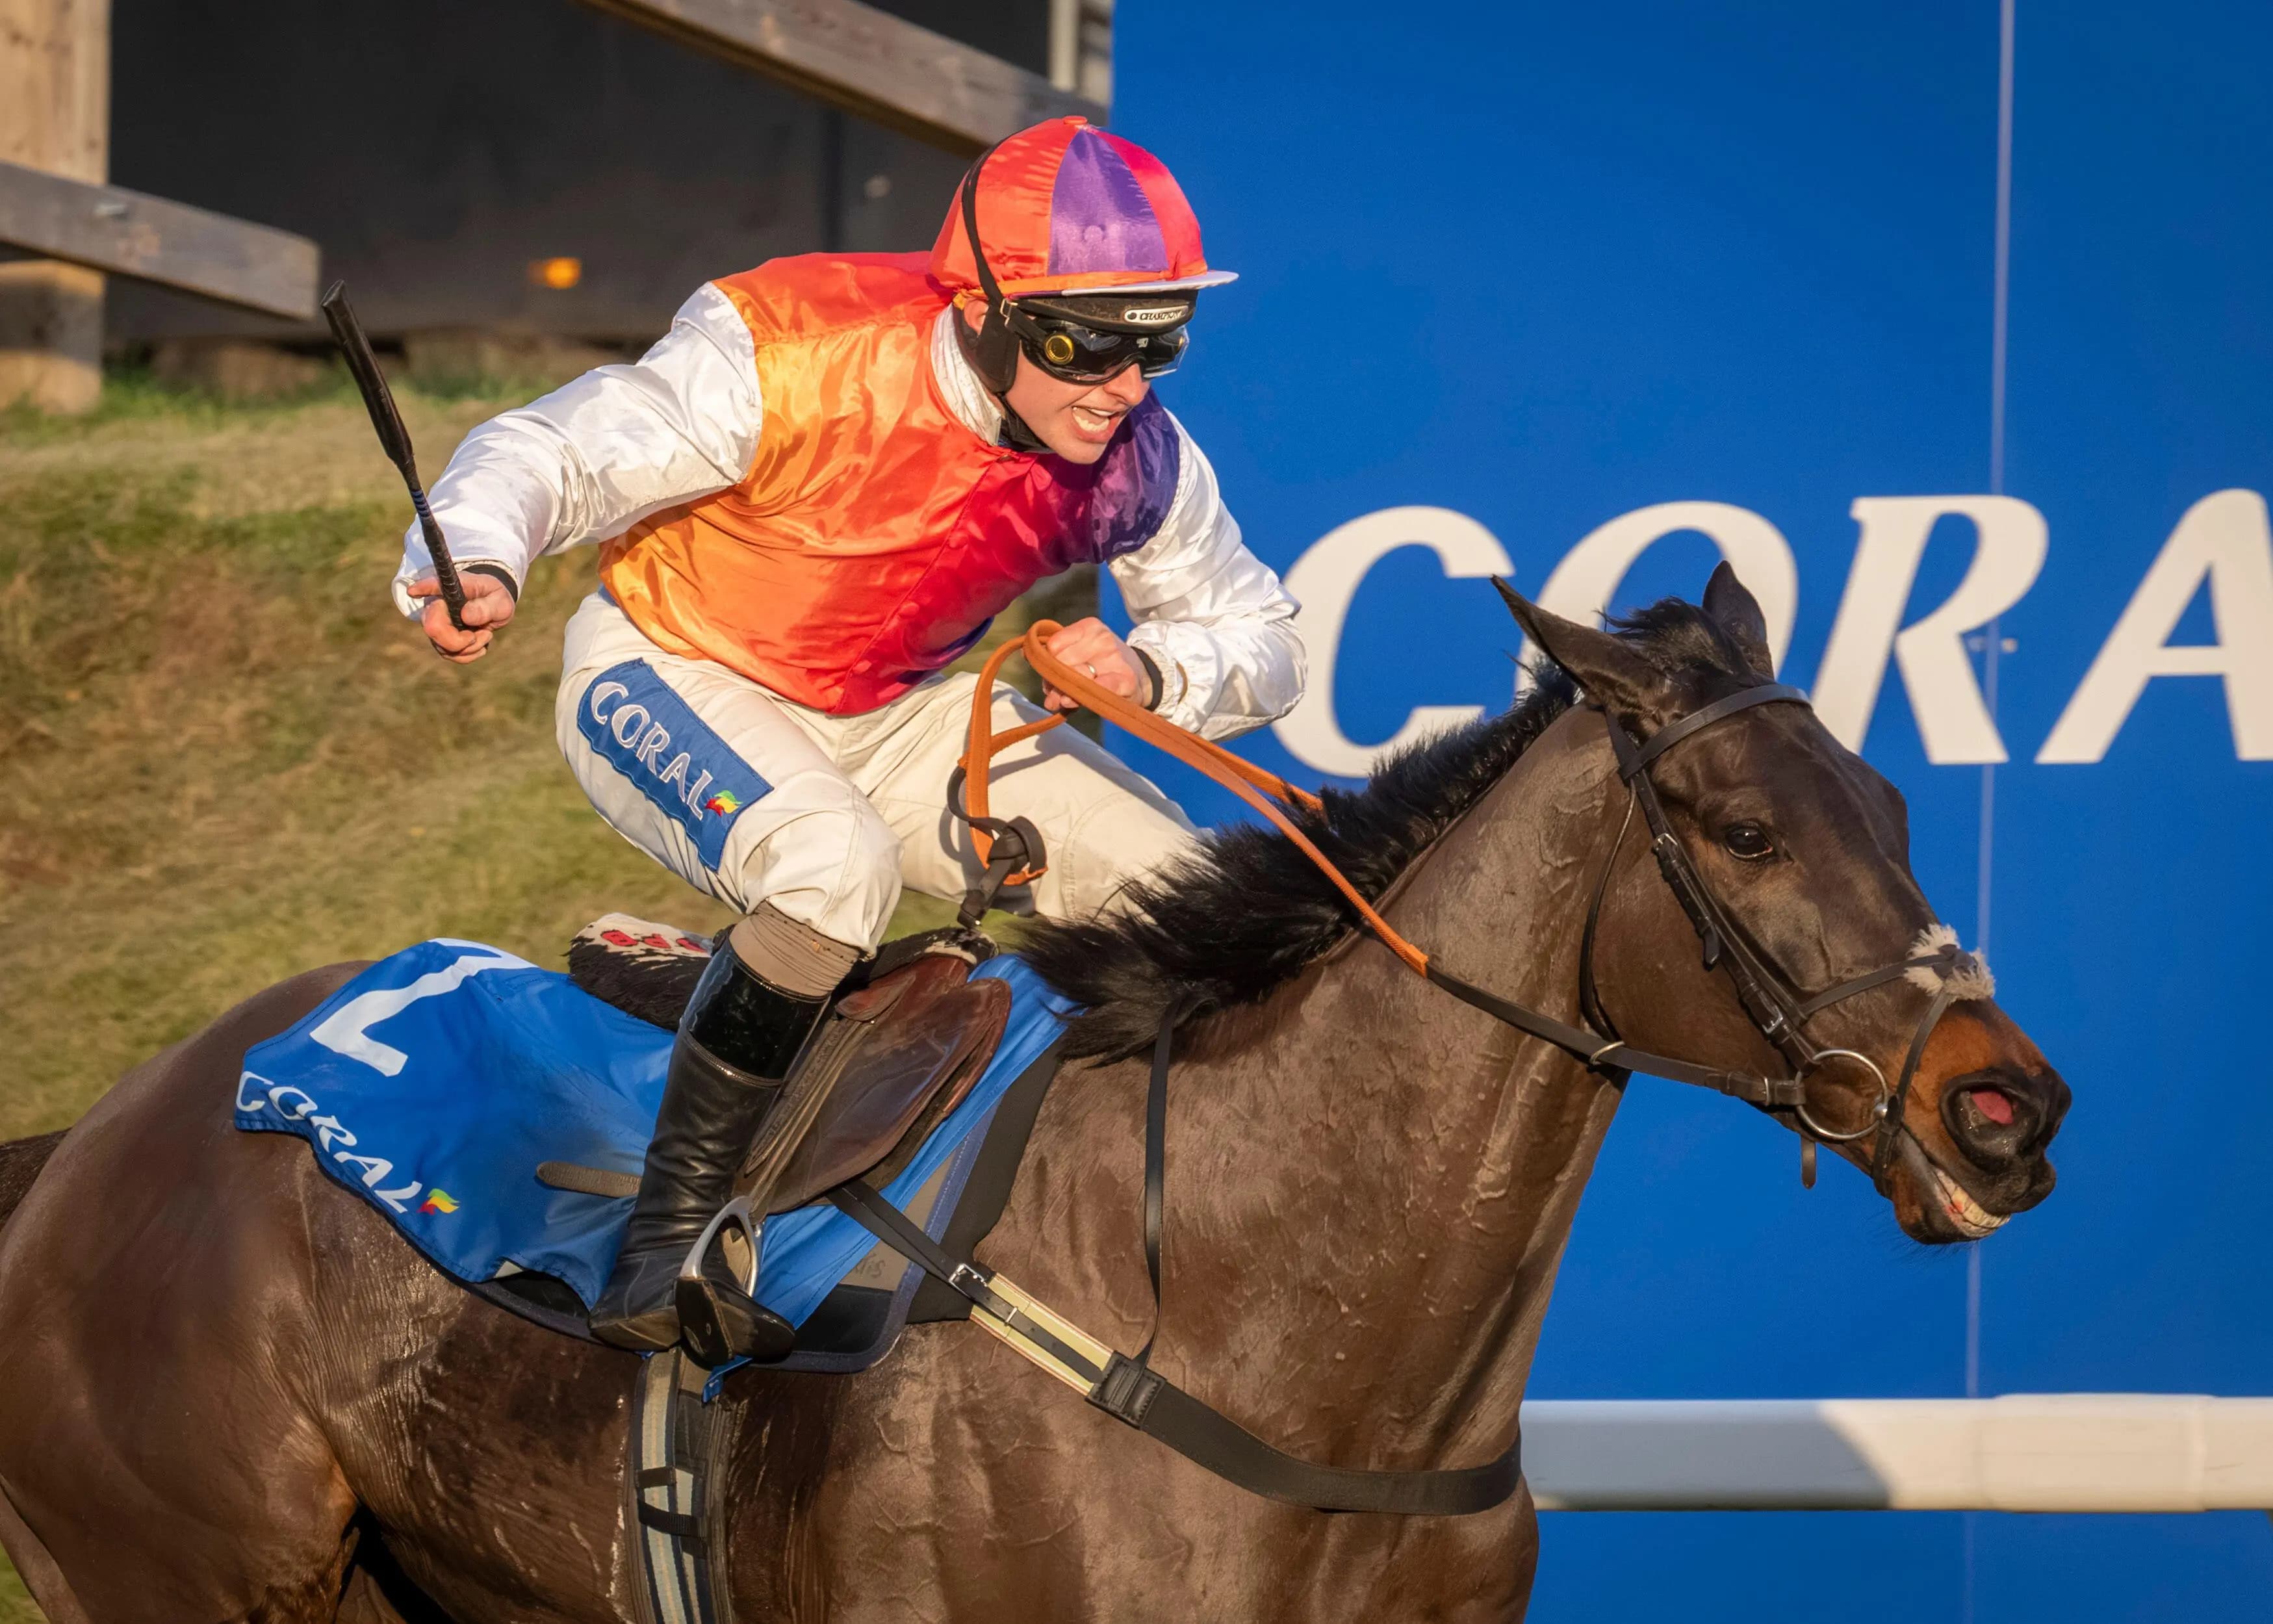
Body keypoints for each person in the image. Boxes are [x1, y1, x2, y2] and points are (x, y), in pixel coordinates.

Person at [388, 116, 1304, 1360]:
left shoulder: (1139, 458)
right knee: (834, 870)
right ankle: (666, 1239)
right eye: (1087, 342)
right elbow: (551, 448)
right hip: (674, 668)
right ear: (980, 306)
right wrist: (478, 549)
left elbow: (1260, 630)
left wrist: (1156, 666)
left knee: (1185, 894)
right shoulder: (790, 352)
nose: (1126, 384)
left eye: (1159, 342)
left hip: (902, 709)